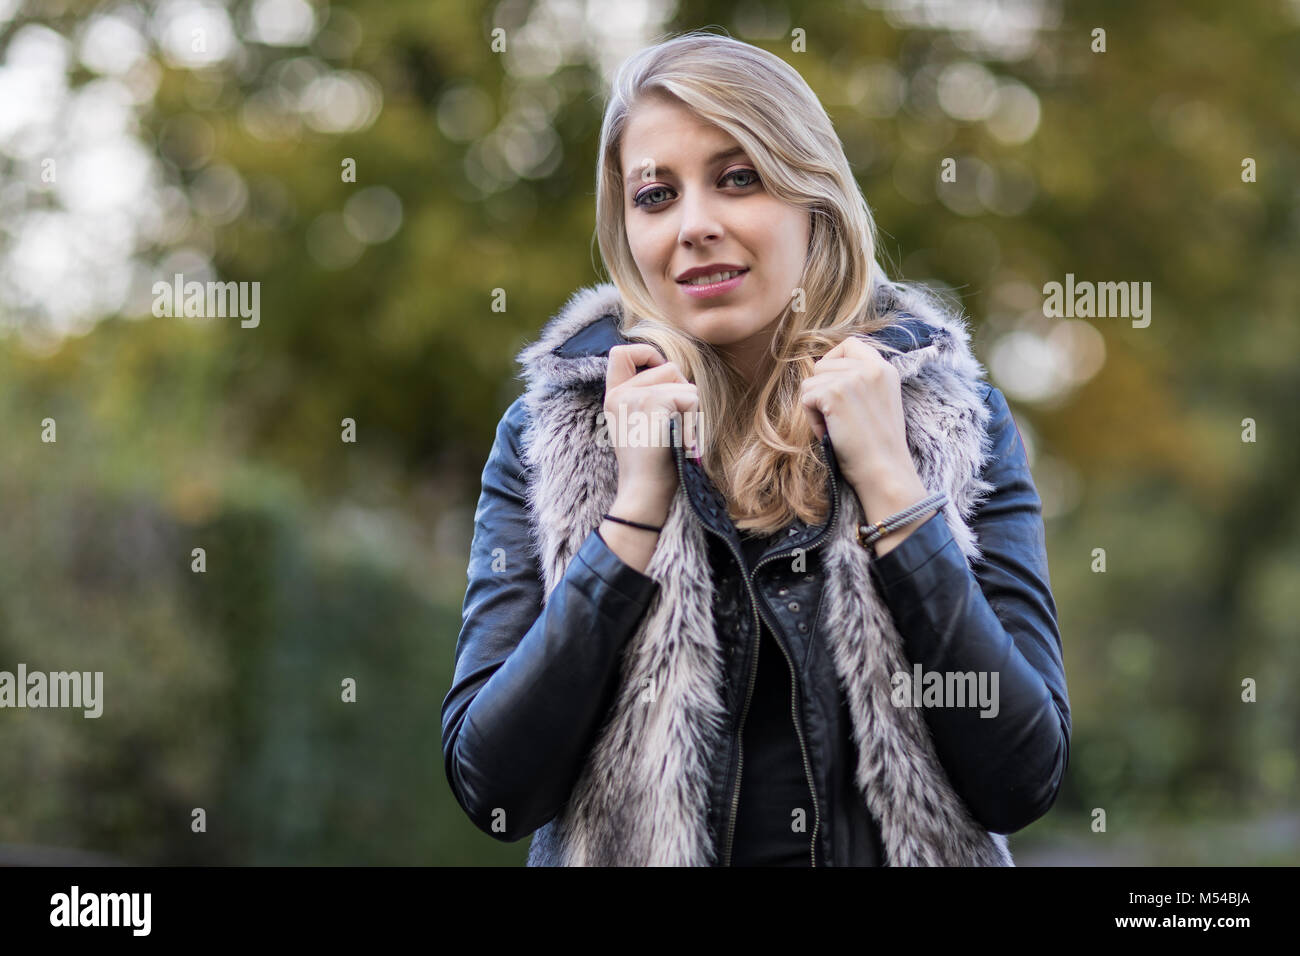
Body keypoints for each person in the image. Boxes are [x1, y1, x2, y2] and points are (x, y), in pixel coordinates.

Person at [441, 30, 1070, 866]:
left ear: (814, 198)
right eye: (656, 196)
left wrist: (893, 490)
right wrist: (630, 521)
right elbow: (492, 789)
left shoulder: (953, 419)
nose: (695, 226)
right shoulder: (553, 437)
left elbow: (1022, 778)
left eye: (738, 179)